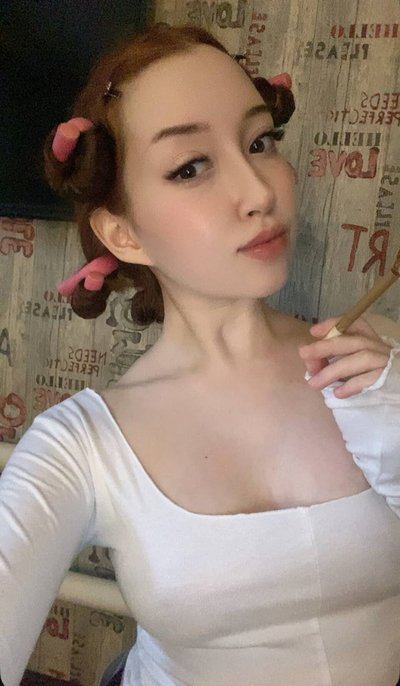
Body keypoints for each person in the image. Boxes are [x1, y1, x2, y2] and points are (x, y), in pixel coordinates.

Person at [1, 22, 400, 686]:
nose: (260, 192)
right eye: (190, 167)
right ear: (123, 233)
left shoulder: (382, 358)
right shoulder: (81, 446)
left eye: (259, 142)